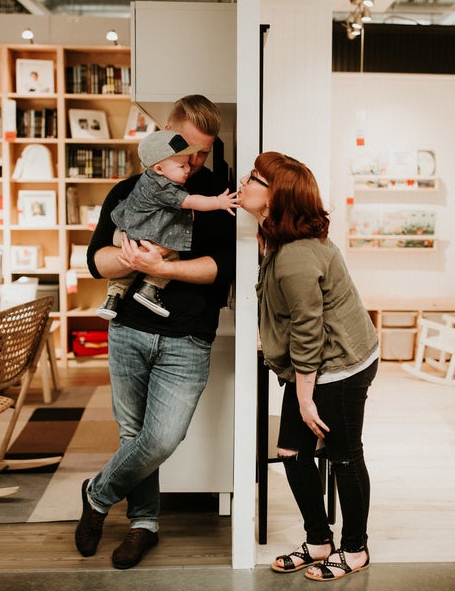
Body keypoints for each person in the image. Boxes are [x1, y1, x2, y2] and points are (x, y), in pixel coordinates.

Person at [75, 94, 235, 570]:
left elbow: (218, 270)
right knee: (132, 435)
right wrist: (129, 260)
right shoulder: (129, 190)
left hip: (188, 336)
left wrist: (161, 264)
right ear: (166, 132)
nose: (196, 161)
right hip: (128, 330)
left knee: (162, 437)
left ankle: (97, 495)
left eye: (205, 152)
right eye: (189, 150)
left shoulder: (216, 198)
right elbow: (95, 261)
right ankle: (144, 524)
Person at [239, 151, 379, 581]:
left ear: (275, 197)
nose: (244, 183)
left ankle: (355, 548)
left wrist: (303, 397)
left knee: (344, 455)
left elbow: (308, 329)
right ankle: (319, 541)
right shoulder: (277, 236)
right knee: (291, 454)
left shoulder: (297, 255)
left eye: (254, 179)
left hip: (339, 367)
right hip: (316, 365)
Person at [96, 130, 239, 319]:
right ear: (159, 169)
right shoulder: (165, 186)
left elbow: (226, 265)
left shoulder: (146, 179)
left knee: (123, 276)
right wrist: (218, 202)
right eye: (182, 165)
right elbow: (191, 201)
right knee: (172, 254)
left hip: (125, 230)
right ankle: (149, 288)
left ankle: (112, 298)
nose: (189, 167)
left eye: (203, 153)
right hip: (141, 236)